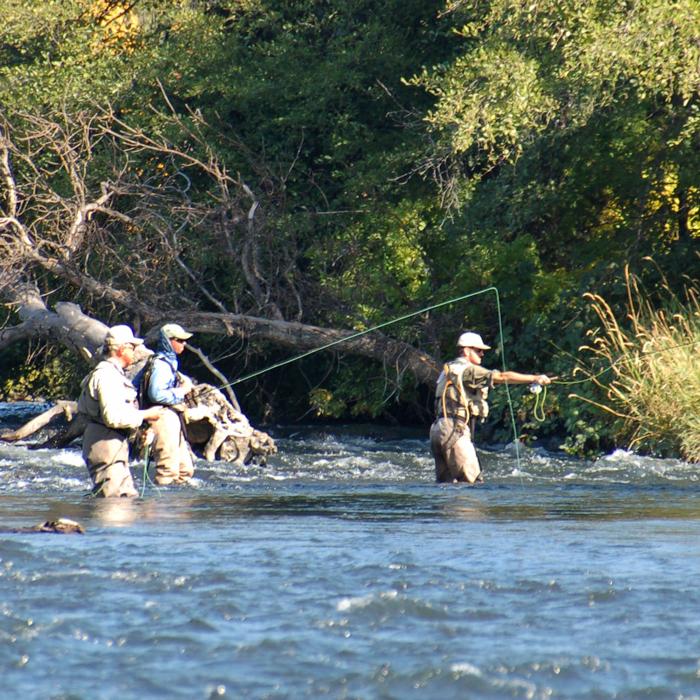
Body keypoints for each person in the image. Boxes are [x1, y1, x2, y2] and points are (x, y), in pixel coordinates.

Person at [430, 331, 553, 484]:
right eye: (478, 350)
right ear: (466, 351)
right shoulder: (469, 370)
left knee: (446, 486)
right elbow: (501, 377)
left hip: (438, 429)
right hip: (454, 430)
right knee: (472, 484)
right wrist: (534, 378)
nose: (482, 354)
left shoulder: (449, 368)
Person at [77, 325, 166, 497]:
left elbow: (118, 412)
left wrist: (140, 432)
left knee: (126, 498)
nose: (135, 352)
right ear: (122, 349)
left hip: (114, 441)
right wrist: (146, 414)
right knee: (111, 502)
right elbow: (112, 416)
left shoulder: (114, 374)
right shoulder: (107, 376)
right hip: (105, 443)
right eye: (132, 348)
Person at [137, 323, 195, 485]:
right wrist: (181, 391)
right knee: (168, 470)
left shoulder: (168, 362)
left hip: (172, 417)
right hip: (161, 417)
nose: (184, 344)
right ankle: (160, 508)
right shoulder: (161, 365)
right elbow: (156, 394)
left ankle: (177, 507)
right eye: (180, 340)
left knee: (185, 470)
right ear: (169, 341)